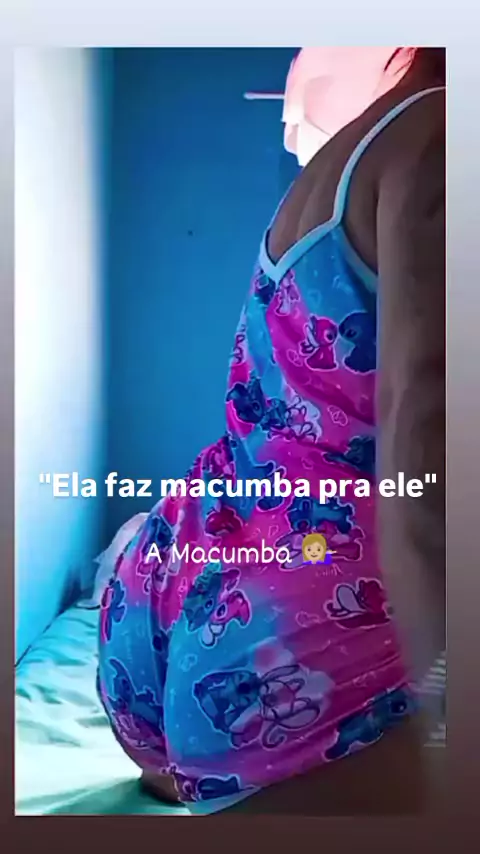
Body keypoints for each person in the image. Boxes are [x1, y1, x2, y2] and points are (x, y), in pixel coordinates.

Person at [97, 47, 445, 815]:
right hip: (303, 623)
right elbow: (423, 445)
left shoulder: (355, 152)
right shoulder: (443, 139)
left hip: (173, 578)